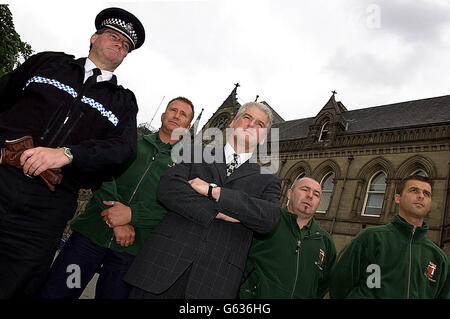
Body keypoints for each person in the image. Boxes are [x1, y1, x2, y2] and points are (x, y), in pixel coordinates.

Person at [0, 7, 145, 298]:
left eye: (125, 45)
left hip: (47, 206)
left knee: (14, 285)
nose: (119, 45)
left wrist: (68, 154)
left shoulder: (123, 102)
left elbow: (122, 151)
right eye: (114, 37)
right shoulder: (48, 64)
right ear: (94, 38)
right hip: (2, 176)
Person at [37, 97, 194, 299]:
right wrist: (117, 219)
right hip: (90, 236)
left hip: (131, 251)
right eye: (173, 110)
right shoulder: (131, 143)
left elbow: (176, 205)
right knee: (59, 293)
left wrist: (132, 215)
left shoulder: (187, 164)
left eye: (183, 114)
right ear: (164, 115)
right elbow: (102, 173)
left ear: (188, 126)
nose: (176, 116)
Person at [124, 102, 282, 299]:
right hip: (161, 267)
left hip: (213, 283)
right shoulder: (194, 153)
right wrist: (223, 212)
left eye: (260, 124)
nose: (251, 125)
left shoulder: (269, 180)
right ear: (232, 123)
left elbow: (269, 218)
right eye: (247, 117)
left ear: (263, 137)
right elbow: (168, 190)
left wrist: (213, 192)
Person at [329, 174, 449, 299]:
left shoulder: (438, 257)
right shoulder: (370, 238)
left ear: (430, 204)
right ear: (397, 198)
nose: (421, 196)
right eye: (414, 190)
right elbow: (339, 286)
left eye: (426, 194)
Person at [240, 177, 336, 299]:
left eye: (316, 194)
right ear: (290, 194)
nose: (310, 196)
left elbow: (323, 286)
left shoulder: (325, 241)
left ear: (319, 204)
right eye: (305, 189)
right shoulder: (267, 221)